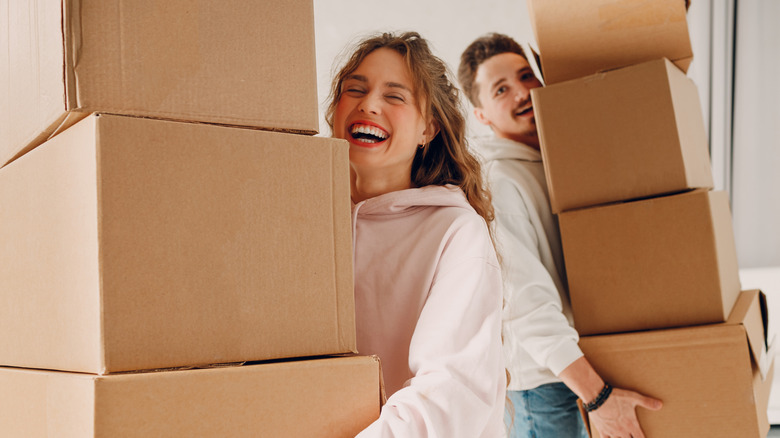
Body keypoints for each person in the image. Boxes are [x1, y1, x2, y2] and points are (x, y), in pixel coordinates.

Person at [457, 33, 663, 438]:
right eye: (501, 89)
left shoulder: (559, 163)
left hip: (577, 369)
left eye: (525, 77)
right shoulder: (500, 182)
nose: (522, 93)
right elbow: (525, 305)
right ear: (482, 115)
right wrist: (597, 396)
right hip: (544, 386)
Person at [326, 31, 507, 437]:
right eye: (355, 89)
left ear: (429, 128)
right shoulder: (300, 225)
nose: (368, 104)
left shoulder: (456, 233)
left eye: (395, 96)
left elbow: (449, 392)